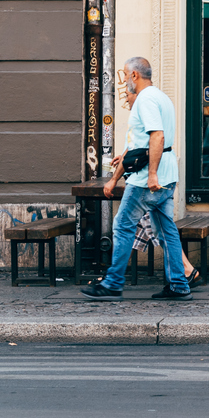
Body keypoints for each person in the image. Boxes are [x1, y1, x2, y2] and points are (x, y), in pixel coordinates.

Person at [82, 57, 192, 301]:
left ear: (134, 75)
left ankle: (112, 283)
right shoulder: (161, 97)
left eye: (125, 75)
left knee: (122, 226)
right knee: (167, 231)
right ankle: (178, 285)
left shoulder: (145, 99)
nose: (124, 81)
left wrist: (151, 174)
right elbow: (150, 141)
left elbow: (157, 137)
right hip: (167, 174)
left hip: (146, 180)